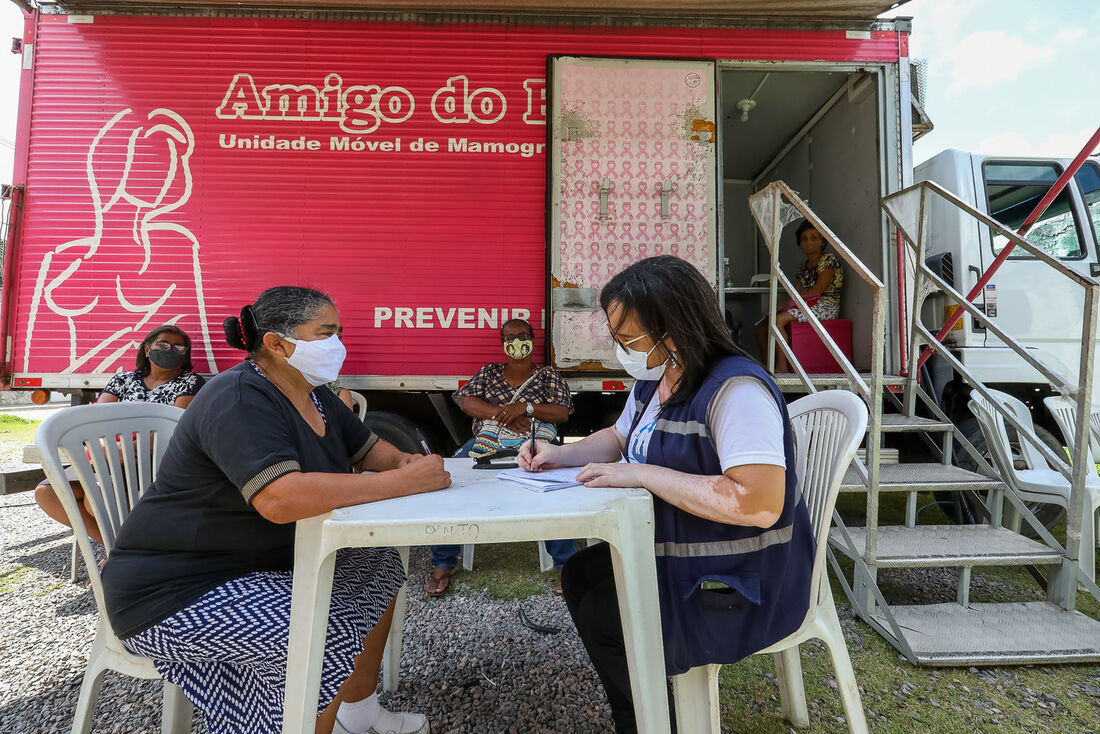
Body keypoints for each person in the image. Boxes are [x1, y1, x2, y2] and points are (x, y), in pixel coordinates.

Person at [100, 287, 451, 734]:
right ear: (277, 344)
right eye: (326, 333)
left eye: (338, 332)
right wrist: (400, 482)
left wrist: (408, 463)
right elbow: (279, 499)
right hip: (175, 589)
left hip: (255, 564)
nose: (337, 344)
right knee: (321, 635)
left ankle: (357, 714)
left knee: (378, 563)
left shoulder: (315, 393)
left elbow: (371, 452)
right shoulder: (240, 397)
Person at [518, 255, 816, 733]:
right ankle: (648, 714)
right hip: (687, 551)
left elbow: (758, 503)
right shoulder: (657, 378)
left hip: (741, 577)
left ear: (673, 327)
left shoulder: (735, 390)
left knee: (602, 612)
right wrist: (558, 452)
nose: (621, 348)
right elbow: (618, 441)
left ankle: (655, 720)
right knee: (579, 575)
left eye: (629, 337)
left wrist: (644, 475)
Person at [426, 318, 575, 598]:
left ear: (533, 338)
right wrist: (504, 415)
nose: (516, 342)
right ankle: (443, 563)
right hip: (487, 440)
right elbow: (466, 401)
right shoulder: (490, 372)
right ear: (502, 341)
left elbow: (561, 412)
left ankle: (567, 566)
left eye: (523, 335)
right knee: (452, 482)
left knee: (552, 491)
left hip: (538, 442)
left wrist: (526, 408)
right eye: (510, 337)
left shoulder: (547, 375)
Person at [34, 324, 206, 545]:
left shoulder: (190, 382)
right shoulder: (122, 379)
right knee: (47, 493)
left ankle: (123, 554)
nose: (170, 350)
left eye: (178, 348)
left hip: (153, 461)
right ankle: (117, 549)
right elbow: (97, 421)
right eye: (162, 344)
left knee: (94, 501)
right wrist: (106, 447)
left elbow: (176, 427)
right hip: (109, 456)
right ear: (147, 349)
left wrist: (128, 448)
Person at [755, 219, 844, 372]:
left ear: (823, 241)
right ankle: (767, 366)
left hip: (825, 306)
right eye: (804, 239)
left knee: (777, 321)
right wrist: (786, 303)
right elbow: (796, 292)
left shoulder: (829, 260)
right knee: (762, 326)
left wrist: (789, 304)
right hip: (805, 305)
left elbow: (817, 291)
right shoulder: (802, 267)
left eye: (814, 238)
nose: (808, 242)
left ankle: (782, 366)